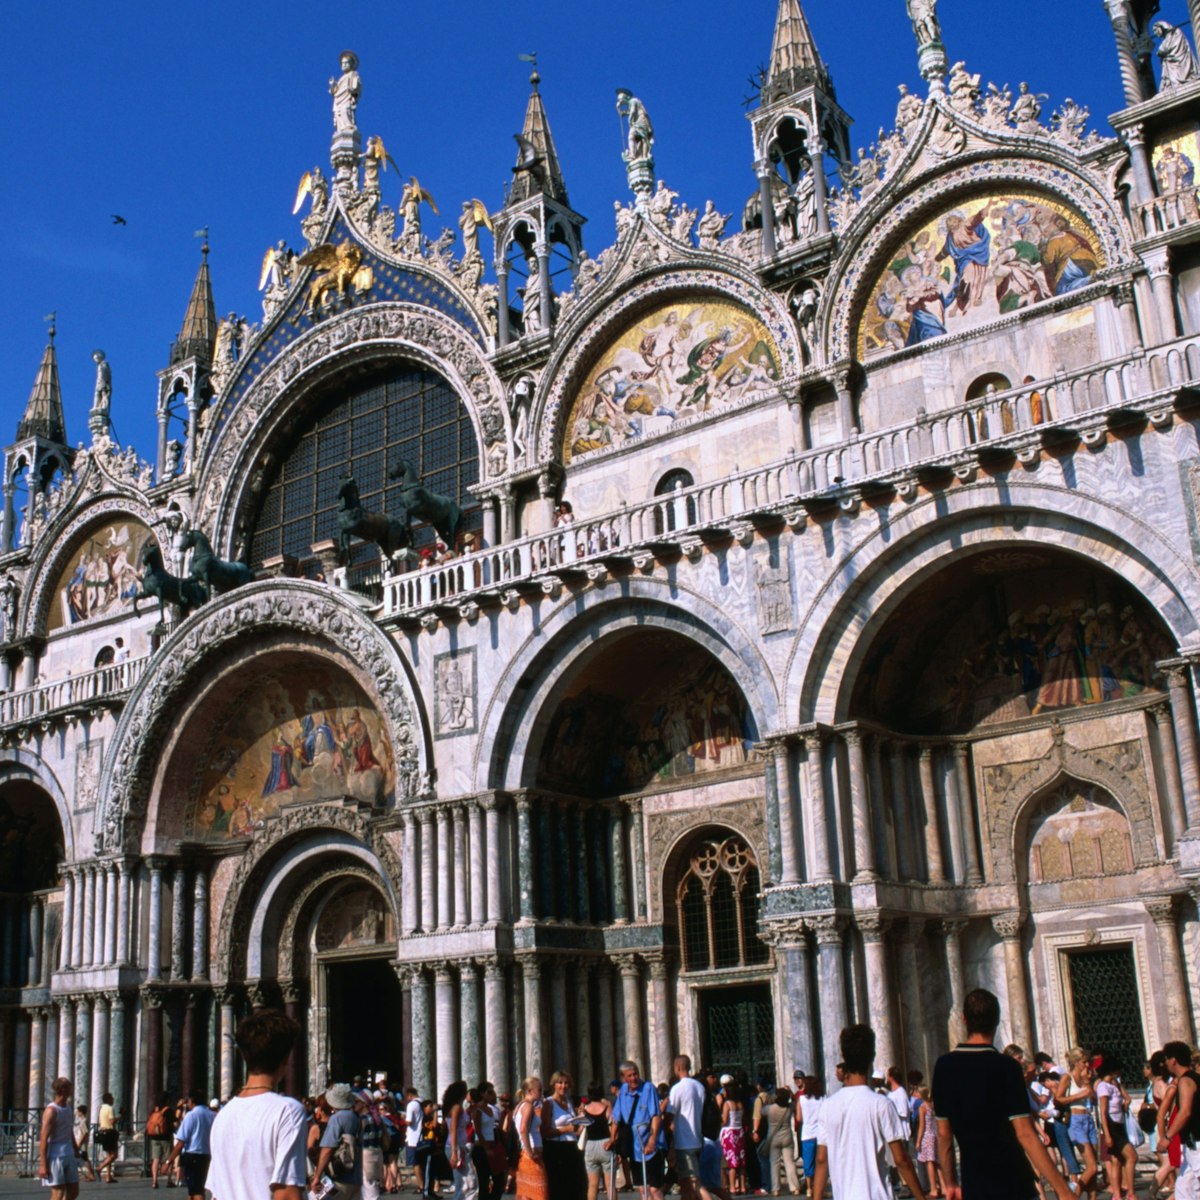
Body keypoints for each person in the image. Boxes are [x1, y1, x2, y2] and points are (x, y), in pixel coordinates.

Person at [934, 988, 1074, 1200]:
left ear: (964, 1019)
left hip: (975, 1186)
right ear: (997, 1020)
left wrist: (951, 1182)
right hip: (1013, 1184)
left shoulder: (944, 1066)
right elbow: (1025, 1133)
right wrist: (1063, 1190)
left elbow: (944, 1134)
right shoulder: (1006, 1067)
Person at [810, 1025, 926, 1200]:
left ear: (843, 1055)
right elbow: (901, 1160)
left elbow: (821, 1160)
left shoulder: (828, 1106)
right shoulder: (881, 1104)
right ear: (872, 1055)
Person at [206, 1009, 308, 1200]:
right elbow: (286, 1194)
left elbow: (216, 1194)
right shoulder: (287, 1111)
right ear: (286, 1058)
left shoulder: (223, 1116)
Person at [610, 1060, 665, 1200]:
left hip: (650, 1146)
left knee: (654, 1189)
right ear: (623, 1078)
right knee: (642, 1188)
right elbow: (616, 1118)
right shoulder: (622, 1091)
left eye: (636, 1074)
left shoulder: (648, 1088)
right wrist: (612, 1139)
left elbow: (656, 1116)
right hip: (634, 1148)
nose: (634, 1078)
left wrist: (652, 1141)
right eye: (630, 1076)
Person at [1054, 1048, 1099, 1197]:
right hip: (1075, 1120)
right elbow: (1058, 1098)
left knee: (1094, 1168)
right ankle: (1073, 1195)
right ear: (1076, 1062)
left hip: (1089, 1119)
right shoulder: (1067, 1078)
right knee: (1091, 1167)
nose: (1087, 1065)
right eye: (1084, 1062)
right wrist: (1079, 1095)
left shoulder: (1086, 1077)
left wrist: (1087, 1082)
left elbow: (1093, 1099)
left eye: (1088, 1062)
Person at [1095, 1057, 1136, 1200]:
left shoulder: (1114, 1085)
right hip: (1112, 1125)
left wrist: (1124, 1104)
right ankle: (1131, 1192)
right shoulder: (1103, 1086)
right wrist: (1107, 1134)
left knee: (1117, 1161)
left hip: (1119, 1123)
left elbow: (1127, 1098)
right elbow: (1103, 1112)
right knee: (1132, 1156)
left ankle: (1117, 1194)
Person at [313, 1084, 364, 1199]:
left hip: (340, 1176)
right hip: (356, 1176)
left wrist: (317, 1176)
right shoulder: (356, 1117)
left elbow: (327, 1149)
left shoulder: (336, 1119)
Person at [540, 1070, 586, 1198]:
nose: (563, 1086)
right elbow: (545, 1131)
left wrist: (581, 1120)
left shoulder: (569, 1101)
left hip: (572, 1147)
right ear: (554, 1085)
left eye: (566, 1083)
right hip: (556, 1149)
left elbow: (574, 1130)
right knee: (559, 1188)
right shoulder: (548, 1103)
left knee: (576, 1187)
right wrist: (565, 1129)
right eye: (560, 1083)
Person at [666, 1055, 707, 1200]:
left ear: (677, 1067)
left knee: (694, 1182)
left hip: (684, 1141)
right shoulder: (700, 1087)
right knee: (684, 1182)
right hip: (698, 1138)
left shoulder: (677, 1088)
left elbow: (670, 1113)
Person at [1163, 1040, 1199, 1200]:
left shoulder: (1186, 1081)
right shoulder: (1195, 1078)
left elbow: (1184, 1112)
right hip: (1190, 1145)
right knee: (1184, 1188)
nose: (1165, 1064)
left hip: (1196, 1142)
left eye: (1166, 1059)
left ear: (1173, 1060)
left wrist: (1167, 1137)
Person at [164, 1090, 216, 1200]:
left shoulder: (191, 1116)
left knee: (197, 1191)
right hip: (207, 1156)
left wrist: (168, 1161)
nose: (187, 1103)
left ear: (192, 1101)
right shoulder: (213, 1115)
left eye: (188, 1101)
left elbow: (181, 1142)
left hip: (193, 1156)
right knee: (194, 1190)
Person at [40, 1077, 81, 1200]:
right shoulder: (51, 1110)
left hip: (68, 1153)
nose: (71, 1090)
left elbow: (69, 1130)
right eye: (69, 1087)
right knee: (58, 1193)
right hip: (55, 1155)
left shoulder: (68, 1108)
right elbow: (43, 1138)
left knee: (73, 1191)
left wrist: (75, 1148)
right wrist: (43, 1164)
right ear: (63, 1089)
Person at [761, 1086, 802, 1196]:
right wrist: (791, 1092)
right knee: (790, 1163)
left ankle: (776, 1189)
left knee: (774, 1163)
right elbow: (796, 1102)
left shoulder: (770, 1109)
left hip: (773, 1139)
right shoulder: (789, 1107)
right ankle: (795, 1187)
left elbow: (761, 1111)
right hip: (787, 1136)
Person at [442, 1080, 479, 1200]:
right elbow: (453, 1129)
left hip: (459, 1146)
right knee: (466, 1183)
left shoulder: (457, 1108)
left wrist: (469, 1110)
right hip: (455, 1147)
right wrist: (454, 1152)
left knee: (466, 1182)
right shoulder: (456, 1107)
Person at [514, 1076, 546, 1200]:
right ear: (529, 1091)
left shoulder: (519, 1106)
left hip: (524, 1154)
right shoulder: (527, 1106)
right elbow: (523, 1129)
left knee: (526, 1195)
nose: (541, 1092)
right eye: (539, 1089)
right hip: (531, 1154)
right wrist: (531, 1153)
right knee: (539, 1193)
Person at [580, 1081, 613, 1200]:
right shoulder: (607, 1108)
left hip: (590, 1145)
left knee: (592, 1185)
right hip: (606, 1144)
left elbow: (579, 1130)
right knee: (610, 1185)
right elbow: (612, 1127)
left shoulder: (585, 1109)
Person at [717, 1075, 746, 1196]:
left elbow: (724, 1120)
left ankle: (733, 1187)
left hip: (729, 1133)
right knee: (741, 1161)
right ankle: (743, 1186)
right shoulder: (740, 1104)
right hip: (739, 1132)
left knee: (732, 1162)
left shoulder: (727, 1104)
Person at [798, 1075, 825, 1191]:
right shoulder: (822, 1098)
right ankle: (819, 1188)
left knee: (808, 1162)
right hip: (820, 1133)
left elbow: (799, 1118)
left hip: (807, 1134)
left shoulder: (802, 1100)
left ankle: (809, 1188)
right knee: (820, 1161)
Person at [914, 1086, 941, 1198]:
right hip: (935, 1135)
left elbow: (921, 1126)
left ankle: (933, 1188)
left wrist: (918, 1142)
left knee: (929, 1162)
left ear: (921, 1094)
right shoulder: (933, 1106)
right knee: (937, 1162)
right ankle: (943, 1186)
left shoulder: (923, 1107)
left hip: (927, 1136)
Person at [147, 1092, 174, 1188]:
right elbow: (173, 1122)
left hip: (154, 1137)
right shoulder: (168, 1110)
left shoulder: (155, 1109)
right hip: (165, 1137)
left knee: (156, 1159)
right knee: (169, 1159)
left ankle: (154, 1181)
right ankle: (169, 1180)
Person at [96, 1091, 119, 1183]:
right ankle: (100, 1167)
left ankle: (108, 1176)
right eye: (112, 1098)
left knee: (109, 1155)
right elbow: (112, 1121)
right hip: (110, 1132)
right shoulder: (110, 1108)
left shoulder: (101, 1108)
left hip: (103, 1132)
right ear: (109, 1099)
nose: (113, 1100)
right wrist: (119, 1117)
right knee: (114, 1155)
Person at [73, 1105, 97, 1182]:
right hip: (78, 1141)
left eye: (77, 1111)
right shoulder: (81, 1121)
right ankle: (90, 1174)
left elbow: (85, 1133)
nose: (76, 1113)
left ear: (81, 1112)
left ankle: (91, 1175)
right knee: (84, 1158)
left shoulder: (84, 1121)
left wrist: (79, 1143)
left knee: (85, 1158)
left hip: (81, 1142)